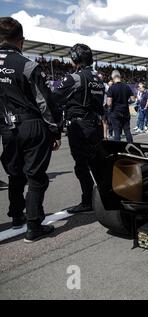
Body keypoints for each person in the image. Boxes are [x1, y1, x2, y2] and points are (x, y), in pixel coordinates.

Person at [0, 17, 62, 241]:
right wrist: (55, 130)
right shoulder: (27, 64)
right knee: (36, 178)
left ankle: (17, 215)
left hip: (7, 127)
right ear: (22, 40)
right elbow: (45, 101)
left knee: (15, 174)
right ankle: (34, 226)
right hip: (31, 125)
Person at [53, 43, 105, 213]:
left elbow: (54, 99)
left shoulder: (74, 78)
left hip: (80, 127)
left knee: (81, 165)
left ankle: (88, 201)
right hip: (95, 125)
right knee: (97, 163)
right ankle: (105, 195)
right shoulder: (98, 79)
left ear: (75, 58)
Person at [107, 70, 135, 143]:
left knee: (117, 132)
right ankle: (131, 146)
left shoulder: (112, 88)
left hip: (115, 112)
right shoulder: (127, 87)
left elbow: (109, 103)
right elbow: (133, 99)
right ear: (120, 77)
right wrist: (126, 103)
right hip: (125, 111)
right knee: (127, 130)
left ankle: (117, 148)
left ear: (113, 77)